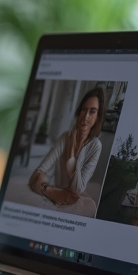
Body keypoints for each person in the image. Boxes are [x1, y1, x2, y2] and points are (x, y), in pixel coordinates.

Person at [28, 87, 104, 217]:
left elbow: (77, 189)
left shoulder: (95, 146)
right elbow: (36, 174)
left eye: (92, 111)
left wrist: (71, 155)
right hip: (57, 192)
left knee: (89, 207)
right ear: (79, 112)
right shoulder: (65, 138)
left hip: (74, 198)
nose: (86, 116)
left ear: (98, 117)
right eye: (84, 110)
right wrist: (50, 191)